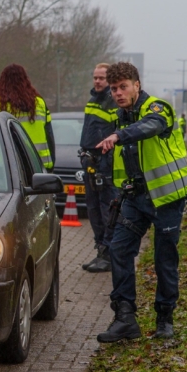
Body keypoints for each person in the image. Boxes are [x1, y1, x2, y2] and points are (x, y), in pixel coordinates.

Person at [94, 62, 187, 341]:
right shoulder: (120, 115)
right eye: (114, 89)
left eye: (123, 86)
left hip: (166, 199)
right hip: (135, 198)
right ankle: (125, 318)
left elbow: (150, 127)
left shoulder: (157, 108)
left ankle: (165, 318)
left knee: (164, 259)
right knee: (119, 250)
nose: (118, 93)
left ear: (137, 84)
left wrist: (119, 135)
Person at [80, 63, 118, 273]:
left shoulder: (113, 103)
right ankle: (101, 251)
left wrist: (106, 160)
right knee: (93, 209)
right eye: (95, 77)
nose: (97, 81)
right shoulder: (92, 101)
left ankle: (109, 255)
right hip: (91, 161)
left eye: (102, 78)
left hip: (104, 163)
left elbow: (115, 134)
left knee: (106, 209)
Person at [0, 64, 55, 169]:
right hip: (39, 166)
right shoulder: (40, 103)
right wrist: (51, 165)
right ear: (26, 81)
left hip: (8, 168)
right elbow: (49, 136)